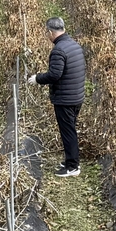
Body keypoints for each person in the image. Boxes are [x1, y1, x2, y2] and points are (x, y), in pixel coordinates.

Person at [30, 17, 86, 178]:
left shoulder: (58, 50)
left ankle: (73, 167)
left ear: (50, 32)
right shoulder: (74, 45)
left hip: (65, 98)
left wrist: (37, 78)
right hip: (76, 96)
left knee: (68, 132)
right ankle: (70, 160)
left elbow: (54, 75)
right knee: (70, 130)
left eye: (47, 33)